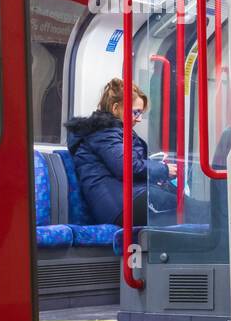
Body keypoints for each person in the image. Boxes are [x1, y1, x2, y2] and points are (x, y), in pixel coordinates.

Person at [65, 78, 180, 227]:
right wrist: (163, 170)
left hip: (126, 197)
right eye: (135, 113)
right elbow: (125, 167)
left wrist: (154, 168)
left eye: (141, 114)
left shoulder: (115, 132)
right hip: (116, 206)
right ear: (115, 108)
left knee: (185, 204)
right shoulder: (103, 132)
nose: (139, 119)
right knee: (186, 208)